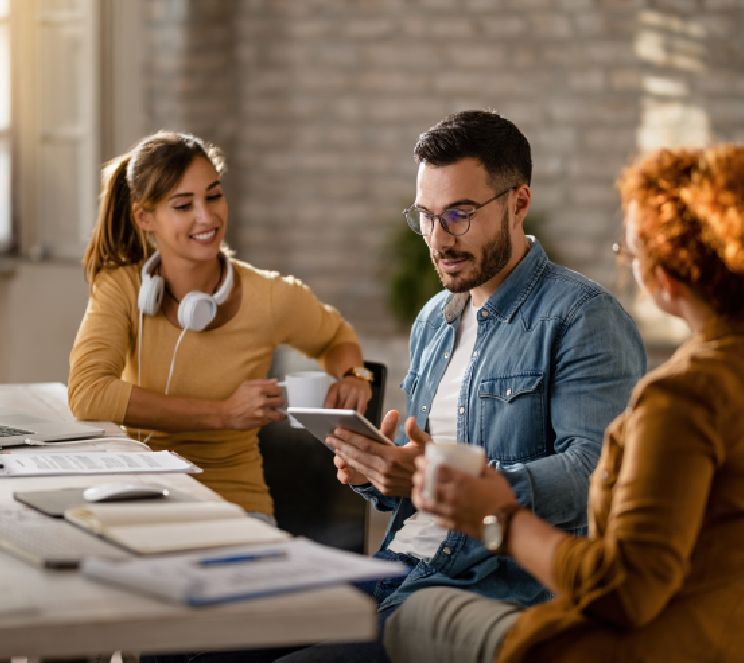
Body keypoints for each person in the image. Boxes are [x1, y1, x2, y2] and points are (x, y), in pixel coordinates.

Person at [384, 144, 744, 663]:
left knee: (411, 618)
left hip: (624, 650)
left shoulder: (680, 400)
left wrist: (498, 516)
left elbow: (622, 592)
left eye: (629, 255)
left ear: (663, 280)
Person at [273, 110, 646, 663]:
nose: (439, 239)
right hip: (393, 565)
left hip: (484, 584)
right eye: (425, 216)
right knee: (206, 640)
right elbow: (422, 467)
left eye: (460, 214)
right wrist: (380, 470)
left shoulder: (581, 317)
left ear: (519, 202)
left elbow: (597, 473)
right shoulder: (433, 319)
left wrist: (444, 478)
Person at [68, 130, 372, 519]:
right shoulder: (122, 287)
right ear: (145, 217)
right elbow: (89, 394)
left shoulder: (272, 296)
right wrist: (221, 413)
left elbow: (335, 337)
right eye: (183, 205)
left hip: (236, 503)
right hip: (141, 493)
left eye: (213, 196)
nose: (206, 217)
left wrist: (353, 374)